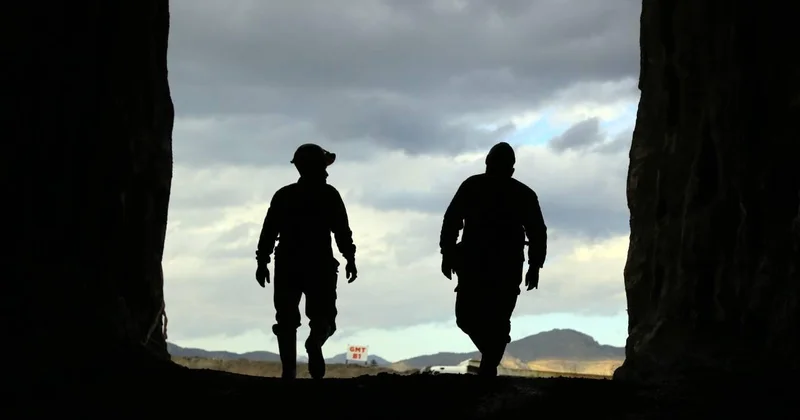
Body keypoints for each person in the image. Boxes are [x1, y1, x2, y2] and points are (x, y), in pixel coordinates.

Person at [439, 141, 547, 377]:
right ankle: (491, 353)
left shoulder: (521, 194)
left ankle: (489, 363)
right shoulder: (474, 186)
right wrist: (447, 252)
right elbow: (452, 220)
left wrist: (535, 265)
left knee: (494, 318)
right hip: (477, 263)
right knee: (467, 317)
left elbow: (537, 232)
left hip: (502, 266)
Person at [255, 143, 358, 380]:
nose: (327, 172)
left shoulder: (284, 195)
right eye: (324, 167)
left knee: (286, 320)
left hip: (287, 263)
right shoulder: (329, 195)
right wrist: (350, 258)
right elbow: (342, 231)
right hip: (319, 263)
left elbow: (268, 232)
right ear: (319, 168)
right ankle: (315, 344)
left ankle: (288, 372)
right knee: (324, 318)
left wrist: (263, 261)